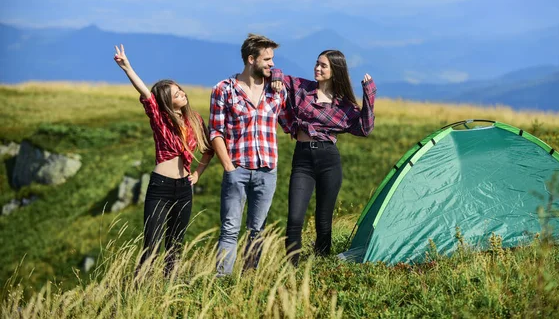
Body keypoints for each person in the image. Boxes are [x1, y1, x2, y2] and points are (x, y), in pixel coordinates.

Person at [113, 44, 213, 277]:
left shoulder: (195, 119)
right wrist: (127, 67)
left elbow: (209, 149)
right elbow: (146, 95)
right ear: (166, 101)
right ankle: (139, 290)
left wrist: (197, 174)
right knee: (152, 245)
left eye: (181, 90)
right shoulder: (160, 118)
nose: (182, 93)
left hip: (184, 188)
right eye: (175, 93)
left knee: (175, 246)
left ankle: (169, 292)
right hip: (161, 186)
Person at [271, 49, 376, 266]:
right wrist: (277, 80)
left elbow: (365, 128)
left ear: (334, 70)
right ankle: (291, 268)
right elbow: (277, 73)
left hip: (329, 160)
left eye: (323, 66)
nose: (317, 68)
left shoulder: (343, 104)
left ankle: (320, 266)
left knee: (323, 220)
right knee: (295, 218)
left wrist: (369, 93)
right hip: (302, 159)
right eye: (317, 63)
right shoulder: (302, 88)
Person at [209, 34, 287, 276]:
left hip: (267, 171)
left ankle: (249, 280)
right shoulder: (223, 90)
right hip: (238, 169)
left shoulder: (277, 90)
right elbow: (215, 132)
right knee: (230, 229)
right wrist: (229, 169)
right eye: (267, 59)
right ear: (251, 59)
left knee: (257, 230)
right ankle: (222, 281)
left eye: (273, 59)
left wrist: (279, 76)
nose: (272, 64)